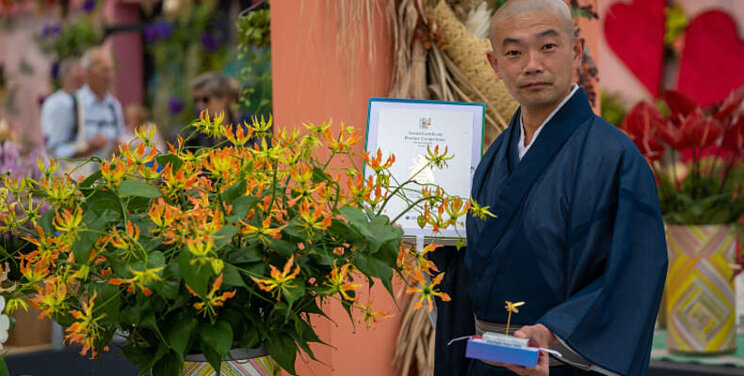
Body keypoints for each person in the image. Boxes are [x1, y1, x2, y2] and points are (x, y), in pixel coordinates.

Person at [431, 1, 668, 375]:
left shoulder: (616, 158)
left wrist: (549, 332)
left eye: (548, 46)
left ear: (576, 50)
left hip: (560, 365)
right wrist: (427, 246)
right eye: (513, 52)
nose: (532, 64)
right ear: (495, 65)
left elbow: (632, 278)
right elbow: (474, 269)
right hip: (489, 364)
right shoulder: (493, 159)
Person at [44, 48, 124, 164]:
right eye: (104, 70)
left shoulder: (114, 106)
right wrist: (87, 149)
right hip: (78, 179)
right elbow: (55, 151)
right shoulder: (70, 104)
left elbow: (119, 140)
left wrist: (118, 149)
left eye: (112, 70)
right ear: (88, 73)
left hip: (108, 179)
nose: (110, 76)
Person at [186, 71, 261, 149]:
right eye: (196, 100)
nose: (199, 105)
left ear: (224, 98)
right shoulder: (195, 133)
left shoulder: (249, 127)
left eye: (205, 99)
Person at [40, 57, 86, 156]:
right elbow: (53, 142)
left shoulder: (86, 100)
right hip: (63, 161)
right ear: (64, 77)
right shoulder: (53, 103)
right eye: (77, 71)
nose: (82, 75)